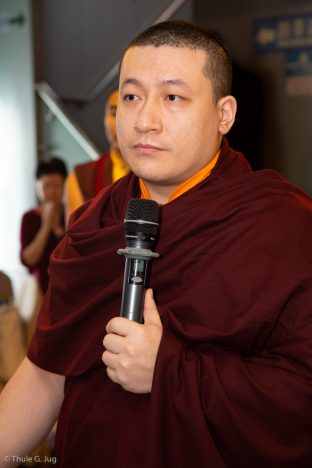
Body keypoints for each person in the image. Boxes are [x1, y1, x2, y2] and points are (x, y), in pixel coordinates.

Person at [0, 20, 312, 468]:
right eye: (131, 97)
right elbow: (46, 374)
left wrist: (169, 369)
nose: (145, 120)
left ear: (224, 114)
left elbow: (300, 394)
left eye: (173, 97)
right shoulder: (94, 222)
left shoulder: (282, 227)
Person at [65, 88, 129, 219]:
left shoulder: (158, 174)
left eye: (127, 112)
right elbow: (76, 237)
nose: (119, 122)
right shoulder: (81, 177)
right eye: (113, 112)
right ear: (104, 119)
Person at [20, 157, 68, 294]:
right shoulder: (29, 218)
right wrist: (46, 226)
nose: (52, 192)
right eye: (47, 186)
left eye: (57, 186)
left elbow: (74, 254)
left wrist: (57, 229)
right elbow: (28, 260)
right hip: (40, 291)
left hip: (66, 288)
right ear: (37, 186)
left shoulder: (72, 214)